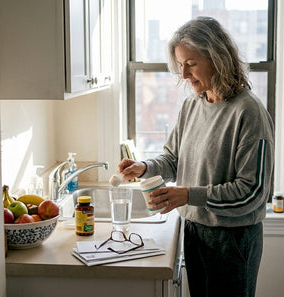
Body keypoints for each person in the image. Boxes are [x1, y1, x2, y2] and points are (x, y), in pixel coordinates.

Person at [117, 16, 274, 297]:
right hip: (194, 231)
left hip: (233, 240)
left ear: (218, 58)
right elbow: (173, 159)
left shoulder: (249, 112)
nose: (184, 75)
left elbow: (254, 192)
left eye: (191, 64)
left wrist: (188, 195)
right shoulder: (192, 105)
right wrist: (144, 167)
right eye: (180, 66)